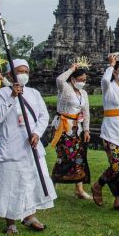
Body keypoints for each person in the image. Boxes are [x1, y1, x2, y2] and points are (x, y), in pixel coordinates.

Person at [0, 59, 56, 235]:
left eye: (26, 71)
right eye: (19, 71)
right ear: (9, 75)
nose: (23, 75)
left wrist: (36, 133)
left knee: (31, 180)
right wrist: (12, 96)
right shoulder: (1, 94)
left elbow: (43, 116)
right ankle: (11, 222)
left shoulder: (34, 93)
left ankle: (30, 216)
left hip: (31, 145)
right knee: (11, 184)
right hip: (11, 147)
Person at [91, 54, 119, 213]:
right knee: (118, 165)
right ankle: (98, 185)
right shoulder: (108, 86)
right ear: (115, 72)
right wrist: (111, 65)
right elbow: (104, 80)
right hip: (111, 131)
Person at [50, 63, 91, 199]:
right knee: (65, 156)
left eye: (84, 80)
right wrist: (71, 69)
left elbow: (86, 112)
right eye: (80, 79)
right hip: (62, 127)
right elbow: (59, 80)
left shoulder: (83, 93)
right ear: (73, 79)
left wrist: (86, 130)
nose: (82, 82)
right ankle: (52, 185)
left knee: (79, 157)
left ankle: (79, 189)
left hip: (76, 129)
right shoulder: (65, 88)